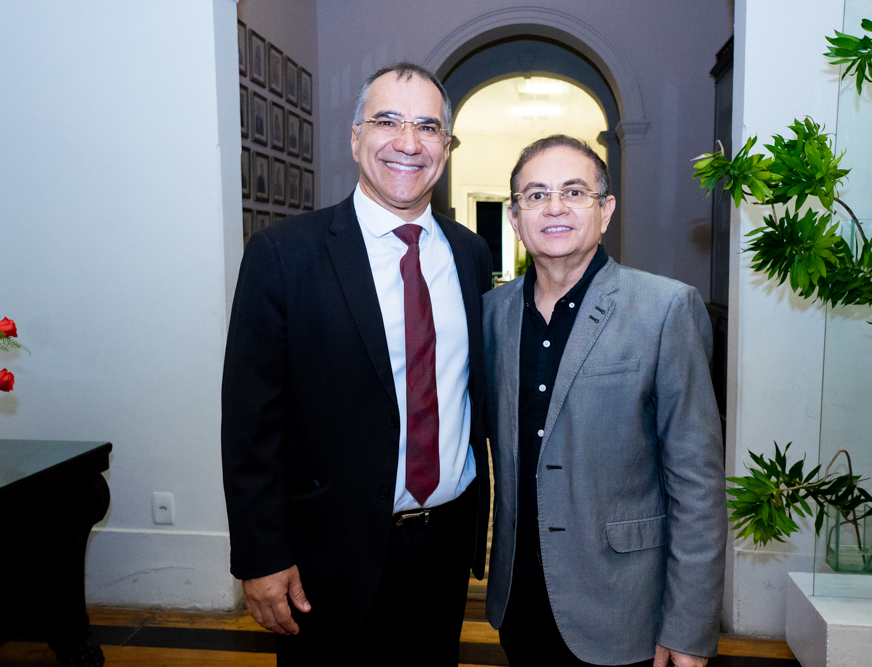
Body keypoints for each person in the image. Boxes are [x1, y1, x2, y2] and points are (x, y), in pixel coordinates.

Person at [221, 63, 493, 665]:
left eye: (428, 127)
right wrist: (262, 556)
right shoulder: (282, 255)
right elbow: (249, 424)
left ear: (446, 147)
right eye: (387, 121)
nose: (408, 142)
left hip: (445, 549)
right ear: (355, 138)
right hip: (327, 556)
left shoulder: (471, 254)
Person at [483, 135, 726, 667]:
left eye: (574, 192)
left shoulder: (665, 309)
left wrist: (688, 627)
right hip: (519, 602)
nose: (555, 207)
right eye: (536, 195)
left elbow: (697, 483)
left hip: (625, 609)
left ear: (606, 209)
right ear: (515, 217)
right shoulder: (490, 314)